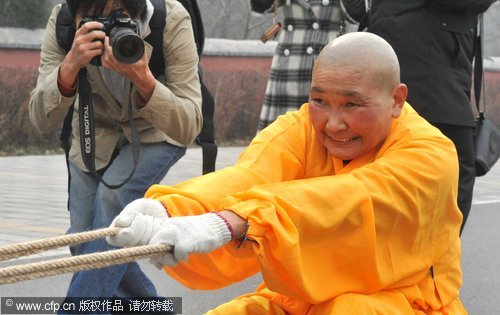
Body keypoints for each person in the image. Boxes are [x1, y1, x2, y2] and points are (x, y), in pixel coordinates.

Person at [107, 32, 466, 314]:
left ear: (397, 100)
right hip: (299, 301)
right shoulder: (301, 129)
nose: (334, 123)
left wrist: (235, 221)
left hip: (400, 303)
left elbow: (353, 200)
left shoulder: (430, 155)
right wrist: (172, 209)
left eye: (353, 104)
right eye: (320, 100)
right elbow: (250, 176)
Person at [29, 0, 202, 299]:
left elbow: (190, 124)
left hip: (155, 132)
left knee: (112, 199)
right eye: (96, 16)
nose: (109, 26)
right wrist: (69, 66)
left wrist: (144, 81)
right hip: (92, 134)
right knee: (86, 236)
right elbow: (38, 118)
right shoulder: (64, 21)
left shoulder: (170, 20)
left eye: (119, 17)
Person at [347, 0, 497, 233]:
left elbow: (356, 8)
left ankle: (398, 253)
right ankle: (429, 256)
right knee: (455, 171)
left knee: (389, 170)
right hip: (437, 73)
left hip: (388, 65)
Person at [250, 0, 344, 130]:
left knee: (325, 120)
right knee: (283, 129)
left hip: (329, 54)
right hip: (291, 56)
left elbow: (356, 13)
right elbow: (261, 6)